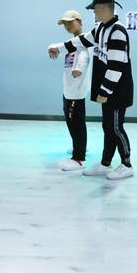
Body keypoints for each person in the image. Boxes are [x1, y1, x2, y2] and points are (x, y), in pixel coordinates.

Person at [48, 0, 134, 180]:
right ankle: (105, 163)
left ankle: (127, 164)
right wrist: (58, 48)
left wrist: (105, 90)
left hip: (117, 90)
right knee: (108, 126)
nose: (93, 13)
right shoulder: (100, 29)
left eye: (94, 9)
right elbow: (80, 41)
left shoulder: (118, 31)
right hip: (108, 89)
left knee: (116, 128)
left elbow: (117, 66)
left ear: (103, 8)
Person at [55, 10, 91, 172]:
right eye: (65, 24)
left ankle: (79, 158)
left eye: (70, 22)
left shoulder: (83, 41)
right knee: (72, 122)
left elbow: (85, 57)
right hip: (68, 90)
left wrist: (79, 69)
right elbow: (58, 48)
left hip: (76, 91)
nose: (67, 26)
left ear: (79, 21)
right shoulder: (72, 43)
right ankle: (78, 147)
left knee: (76, 124)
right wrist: (52, 48)